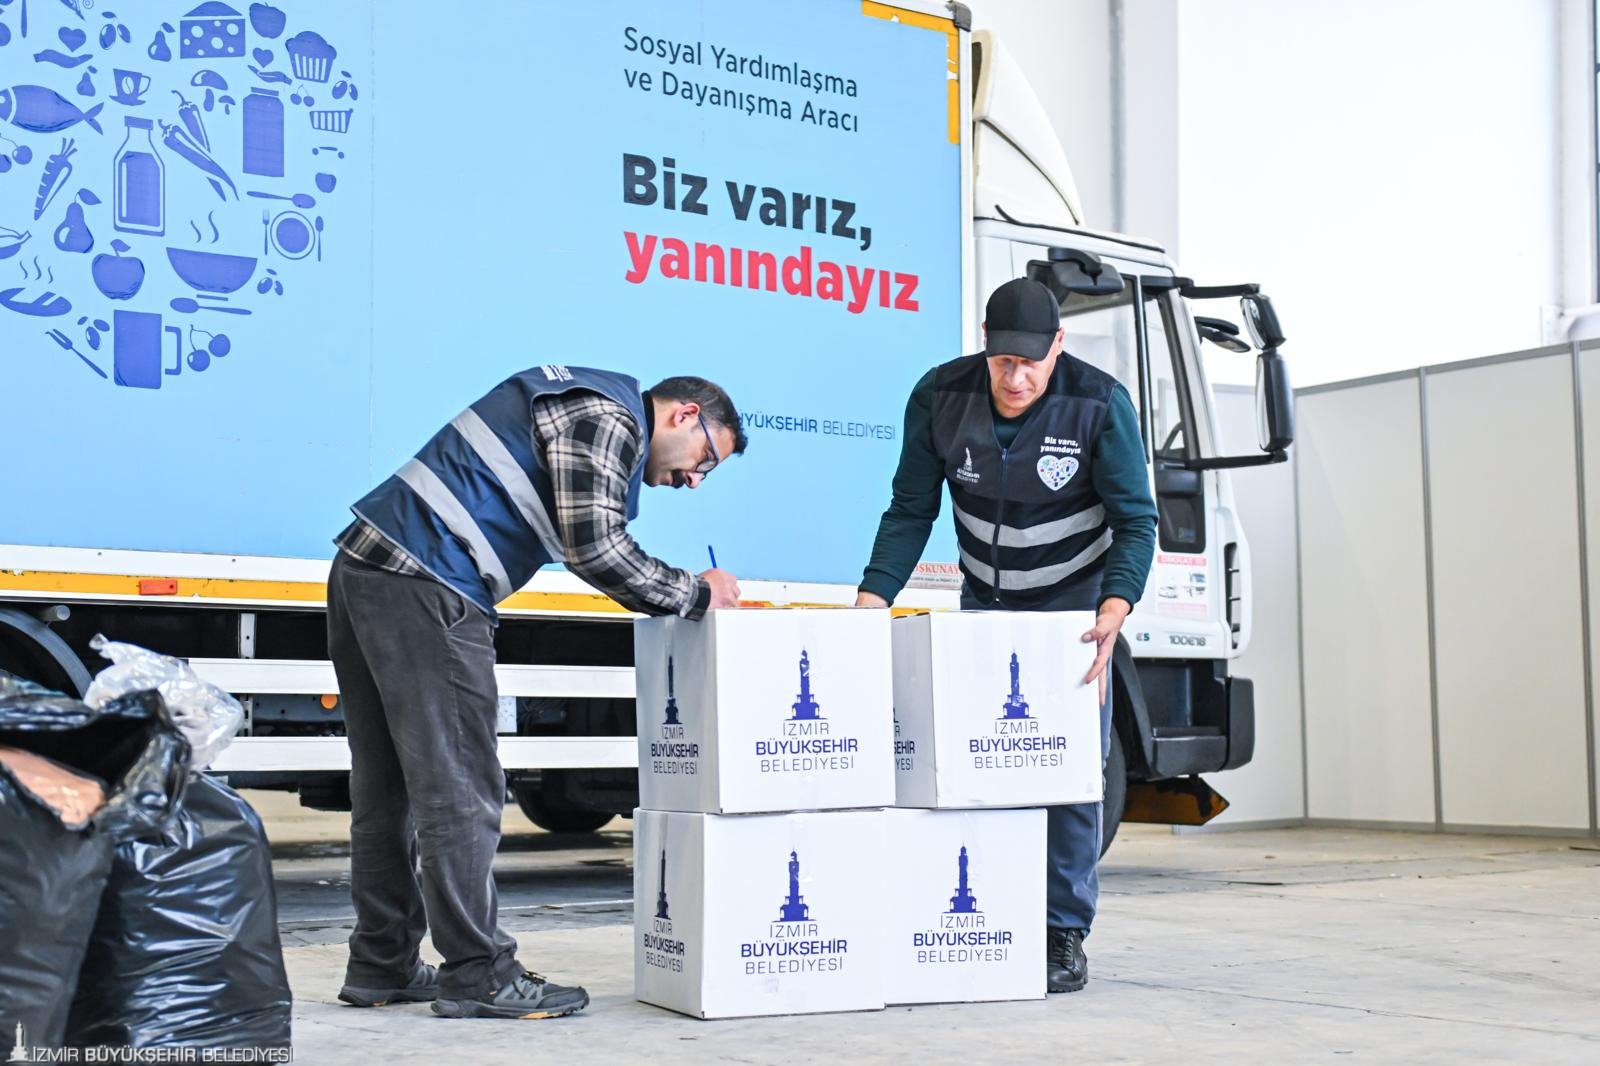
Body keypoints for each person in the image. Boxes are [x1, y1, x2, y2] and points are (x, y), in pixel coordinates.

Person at [327, 367, 745, 1019]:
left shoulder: (580, 404)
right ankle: (479, 974)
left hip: (367, 569)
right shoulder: (608, 417)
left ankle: (382, 963)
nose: (694, 480)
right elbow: (598, 549)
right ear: (684, 415)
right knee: (461, 787)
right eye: (706, 461)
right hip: (428, 580)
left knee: (388, 789)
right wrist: (697, 593)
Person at [855, 278, 1156, 993]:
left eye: (1030, 363)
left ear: (1058, 347)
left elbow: (1136, 519)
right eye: (1002, 362)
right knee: (982, 764)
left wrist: (1114, 607)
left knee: (1069, 771)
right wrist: (872, 599)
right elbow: (910, 508)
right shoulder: (940, 395)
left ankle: (1061, 931)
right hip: (987, 602)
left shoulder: (1099, 404)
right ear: (985, 345)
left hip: (1074, 613)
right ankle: (986, 916)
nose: (1015, 379)